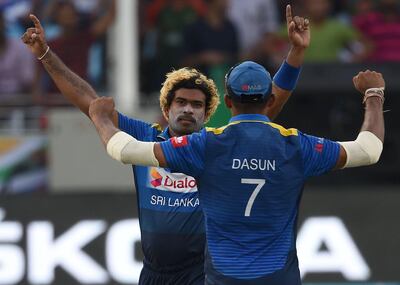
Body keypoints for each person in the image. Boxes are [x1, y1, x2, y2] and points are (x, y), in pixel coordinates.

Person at [21, 5, 310, 284]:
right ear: (166, 108)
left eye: (197, 105)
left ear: (207, 113)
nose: (188, 109)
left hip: (202, 273)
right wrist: (45, 55)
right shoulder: (146, 136)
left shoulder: (216, 145)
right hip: (153, 274)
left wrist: (295, 54)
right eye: (181, 102)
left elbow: (267, 103)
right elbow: (91, 103)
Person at [90, 64, 385, 284]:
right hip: (278, 278)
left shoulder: (205, 145)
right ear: (270, 100)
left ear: (228, 102)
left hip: (223, 278)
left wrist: (102, 119)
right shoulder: (297, 145)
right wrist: (374, 94)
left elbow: (125, 150)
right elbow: (369, 150)